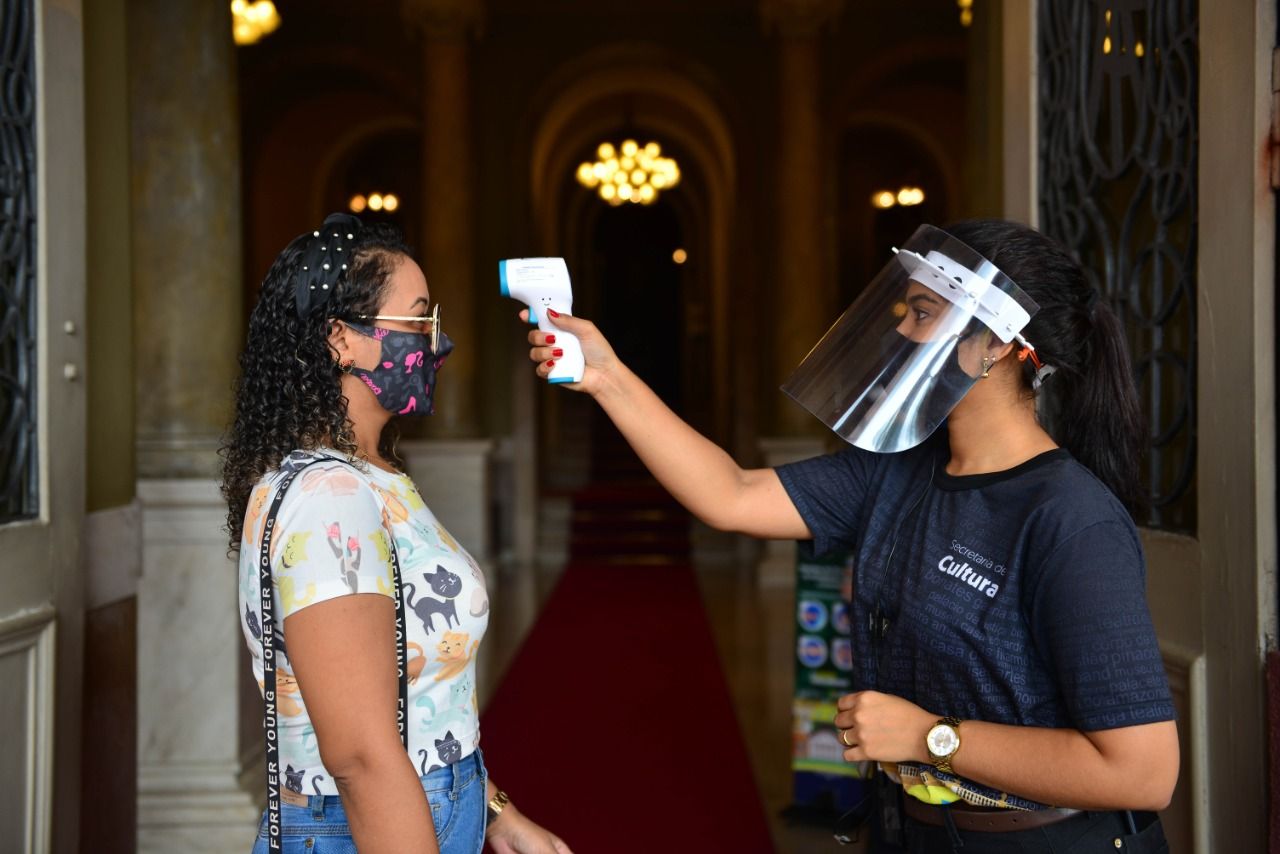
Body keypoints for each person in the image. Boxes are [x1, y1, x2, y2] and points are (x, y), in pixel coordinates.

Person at [523, 219, 1177, 852]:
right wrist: (607, 377)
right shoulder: (895, 471)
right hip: (912, 830)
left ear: (997, 344)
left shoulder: (1070, 518)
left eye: (922, 313)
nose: (900, 327)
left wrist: (930, 737)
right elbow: (731, 495)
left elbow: (1142, 771)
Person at [222, 213, 572, 854]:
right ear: (342, 341)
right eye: (419, 320)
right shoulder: (328, 498)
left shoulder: (369, 475)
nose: (439, 343)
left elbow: (424, 703)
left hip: (431, 806)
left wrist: (494, 810)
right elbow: (360, 758)